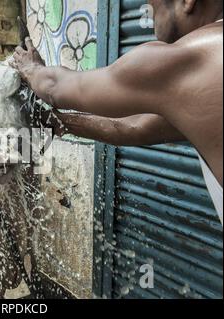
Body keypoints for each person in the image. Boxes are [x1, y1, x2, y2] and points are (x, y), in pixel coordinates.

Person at [12, 0, 223, 224]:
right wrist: (56, 122)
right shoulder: (199, 83)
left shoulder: (189, 59)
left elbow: (55, 88)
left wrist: (31, 69)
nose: (146, 5)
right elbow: (134, 127)